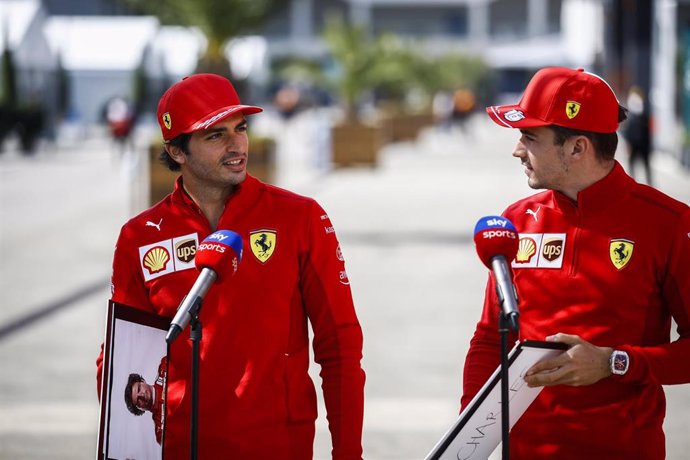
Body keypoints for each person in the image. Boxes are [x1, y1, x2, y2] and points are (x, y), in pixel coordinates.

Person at [96, 73, 365, 459]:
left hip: (278, 447)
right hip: (178, 449)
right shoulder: (139, 236)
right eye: (214, 135)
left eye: (240, 128)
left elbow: (340, 346)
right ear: (177, 152)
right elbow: (122, 356)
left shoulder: (300, 217)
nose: (236, 144)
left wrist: (348, 454)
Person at [463, 67, 690, 459]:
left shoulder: (669, 224)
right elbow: (488, 339)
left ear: (577, 148)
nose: (517, 150)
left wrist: (613, 362)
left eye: (530, 138)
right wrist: (467, 444)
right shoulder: (514, 221)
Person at [124, 358, 167, 445]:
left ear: (143, 381)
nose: (141, 395)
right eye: (138, 400)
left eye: (139, 388)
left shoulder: (164, 367)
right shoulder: (160, 432)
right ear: (140, 409)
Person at [621, 85, 653, 186]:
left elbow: (648, 131)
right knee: (632, 165)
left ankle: (649, 184)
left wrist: (649, 146)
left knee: (645, 166)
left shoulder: (644, 114)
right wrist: (628, 143)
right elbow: (627, 130)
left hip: (643, 143)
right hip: (634, 142)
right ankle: (632, 184)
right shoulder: (630, 115)